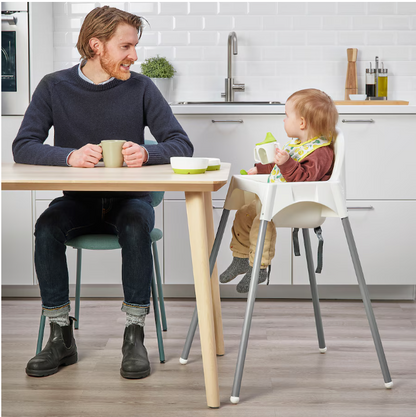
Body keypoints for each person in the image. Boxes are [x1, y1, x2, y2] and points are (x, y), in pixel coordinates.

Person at [12, 6, 193, 379]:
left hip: (131, 201)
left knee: (134, 227)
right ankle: (61, 336)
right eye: (126, 46)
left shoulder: (142, 87)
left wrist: (148, 153)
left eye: (135, 46)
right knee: (47, 228)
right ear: (97, 45)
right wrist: (69, 157)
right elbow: (23, 145)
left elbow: (181, 143)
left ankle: (134, 335)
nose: (134, 55)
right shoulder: (54, 86)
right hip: (78, 201)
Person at [220, 88, 338, 293]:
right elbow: (281, 168)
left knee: (260, 220)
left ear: (301, 123)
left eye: (286, 116)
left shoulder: (320, 152)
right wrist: (260, 169)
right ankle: (240, 259)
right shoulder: (299, 144)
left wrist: (286, 163)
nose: (283, 120)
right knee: (244, 213)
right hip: (279, 200)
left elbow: (304, 179)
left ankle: (259, 266)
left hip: (300, 204)